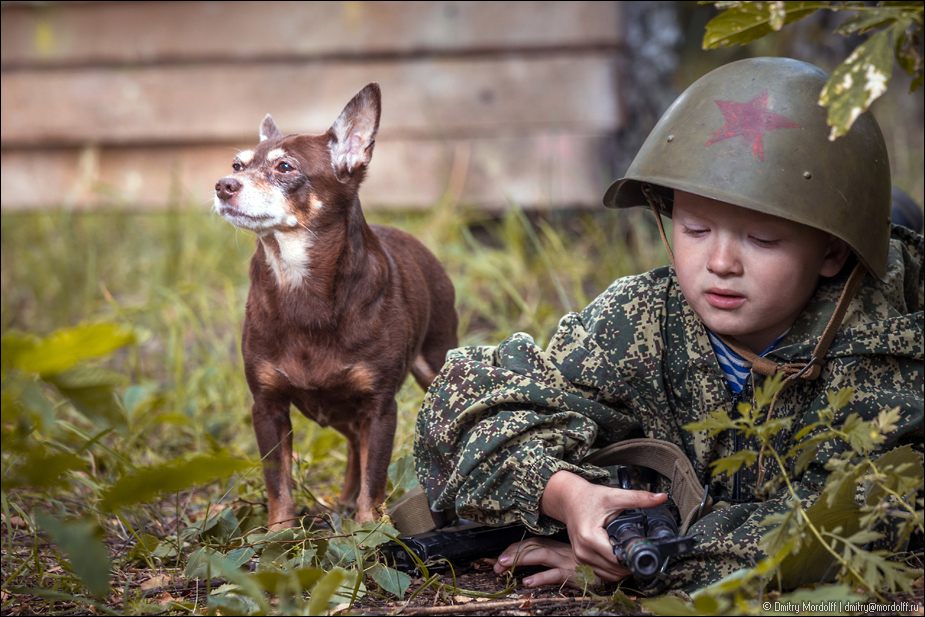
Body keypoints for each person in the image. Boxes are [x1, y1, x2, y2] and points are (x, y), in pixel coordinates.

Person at [413, 57, 924, 594]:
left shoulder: (883, 348)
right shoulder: (643, 316)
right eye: (696, 227)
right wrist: (568, 496)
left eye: (763, 239)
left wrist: (647, 564)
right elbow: (461, 401)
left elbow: (855, 519)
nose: (721, 262)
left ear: (833, 252)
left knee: (900, 218)